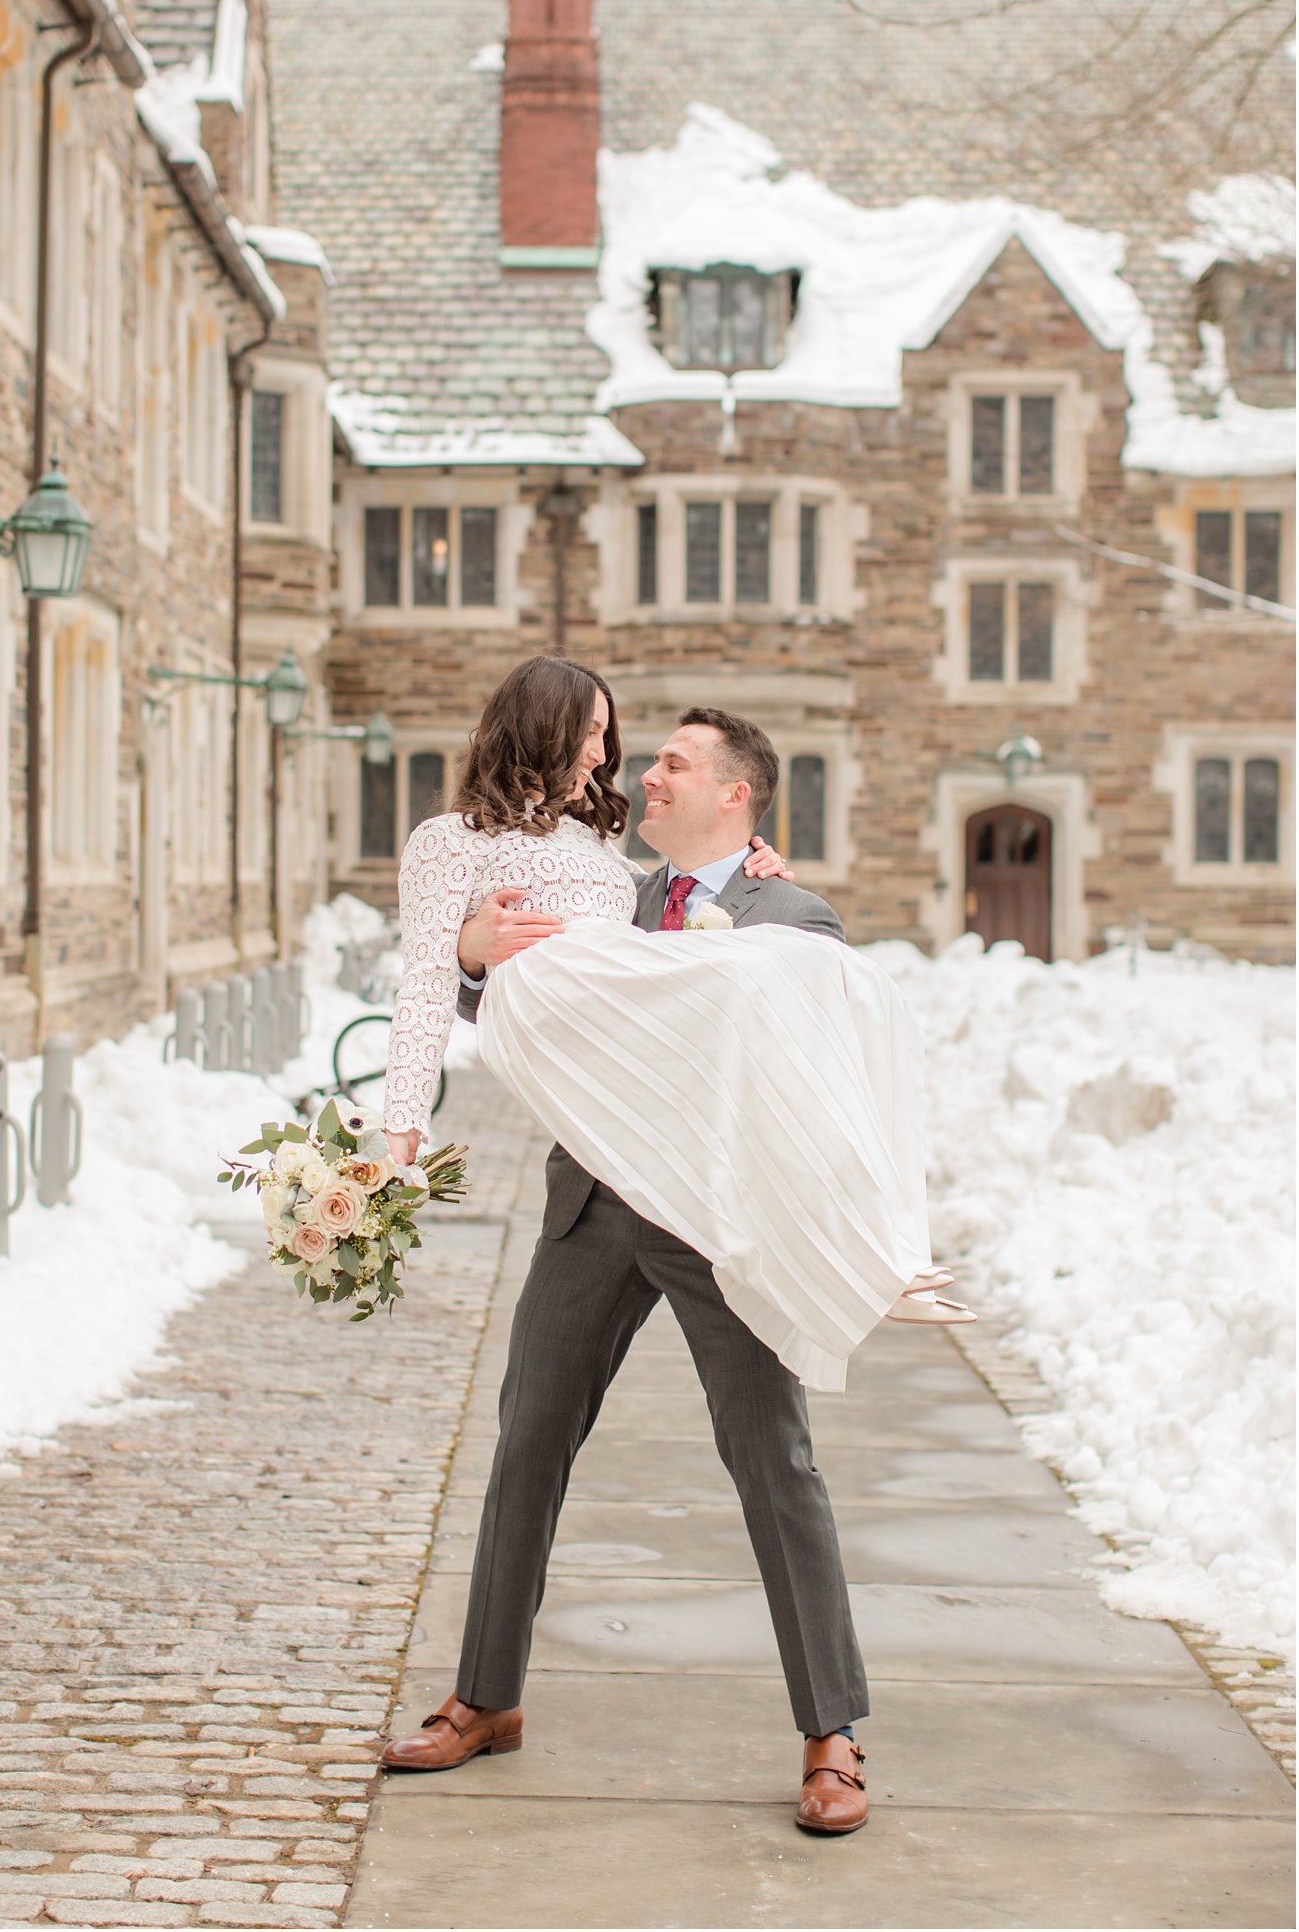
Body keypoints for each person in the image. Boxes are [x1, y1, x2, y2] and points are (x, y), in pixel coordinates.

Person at [378, 655, 963, 1834]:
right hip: (590, 1206)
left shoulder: (791, 916)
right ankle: (484, 1698)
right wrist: (475, 958)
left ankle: (831, 1736)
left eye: (673, 763)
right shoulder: (608, 890)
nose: (643, 771)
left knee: (773, 1462)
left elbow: (821, 1074)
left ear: (735, 796)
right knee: (525, 1441)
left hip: (715, 1224)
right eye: (641, 755)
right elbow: (541, 999)